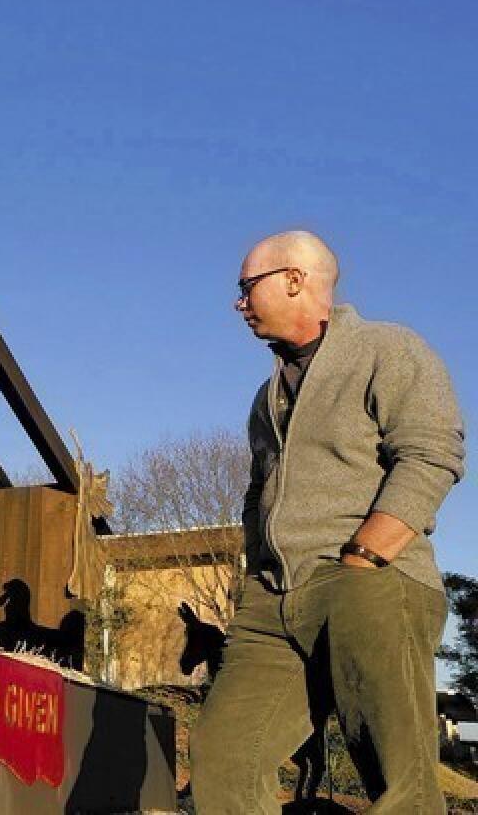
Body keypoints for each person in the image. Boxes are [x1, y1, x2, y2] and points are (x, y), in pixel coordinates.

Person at [191, 231, 465, 813]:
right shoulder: (266, 396)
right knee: (223, 760)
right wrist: (255, 569)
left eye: (246, 288)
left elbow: (432, 453)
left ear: (294, 279)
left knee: (398, 780)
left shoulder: (387, 350)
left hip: (369, 582)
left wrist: (365, 557)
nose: (239, 304)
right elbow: (256, 491)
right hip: (273, 600)